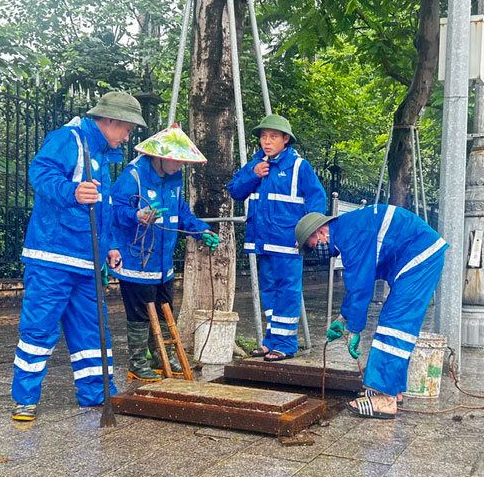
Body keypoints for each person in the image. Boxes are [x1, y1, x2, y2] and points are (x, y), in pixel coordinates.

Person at [10, 91, 145, 422]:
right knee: (39, 329)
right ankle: (24, 399)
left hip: (87, 262)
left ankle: (97, 393)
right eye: (126, 128)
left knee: (91, 331)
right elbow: (40, 172)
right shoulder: (68, 138)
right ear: (110, 120)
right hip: (52, 257)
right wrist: (71, 191)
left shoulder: (102, 155)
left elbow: (104, 209)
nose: (127, 136)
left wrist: (111, 245)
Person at [295, 205, 448, 419]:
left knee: (394, 326)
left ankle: (385, 399)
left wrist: (355, 330)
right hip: (415, 256)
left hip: (419, 258)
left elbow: (361, 287)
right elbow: (358, 283)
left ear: (320, 232)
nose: (316, 252)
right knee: (393, 322)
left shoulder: (351, 236)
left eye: (311, 247)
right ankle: (392, 388)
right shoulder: (347, 230)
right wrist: (343, 318)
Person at [110, 124, 219, 382]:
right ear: (160, 155)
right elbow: (113, 212)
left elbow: (181, 213)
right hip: (137, 260)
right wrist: (137, 215)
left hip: (163, 264)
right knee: (139, 315)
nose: (180, 165)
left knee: (162, 310)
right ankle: (137, 363)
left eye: (183, 161)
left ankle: (160, 357)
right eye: (176, 160)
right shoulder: (133, 176)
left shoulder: (174, 181)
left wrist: (200, 230)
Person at [227, 114, 326, 361]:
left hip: (288, 242)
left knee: (288, 291)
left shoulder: (299, 166)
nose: (266, 142)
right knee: (269, 291)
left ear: (285, 140)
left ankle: (287, 343)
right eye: (263, 136)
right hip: (262, 241)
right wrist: (253, 174)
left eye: (272, 136)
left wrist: (308, 233)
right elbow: (235, 191)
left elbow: (317, 200)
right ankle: (272, 341)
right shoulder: (256, 164)